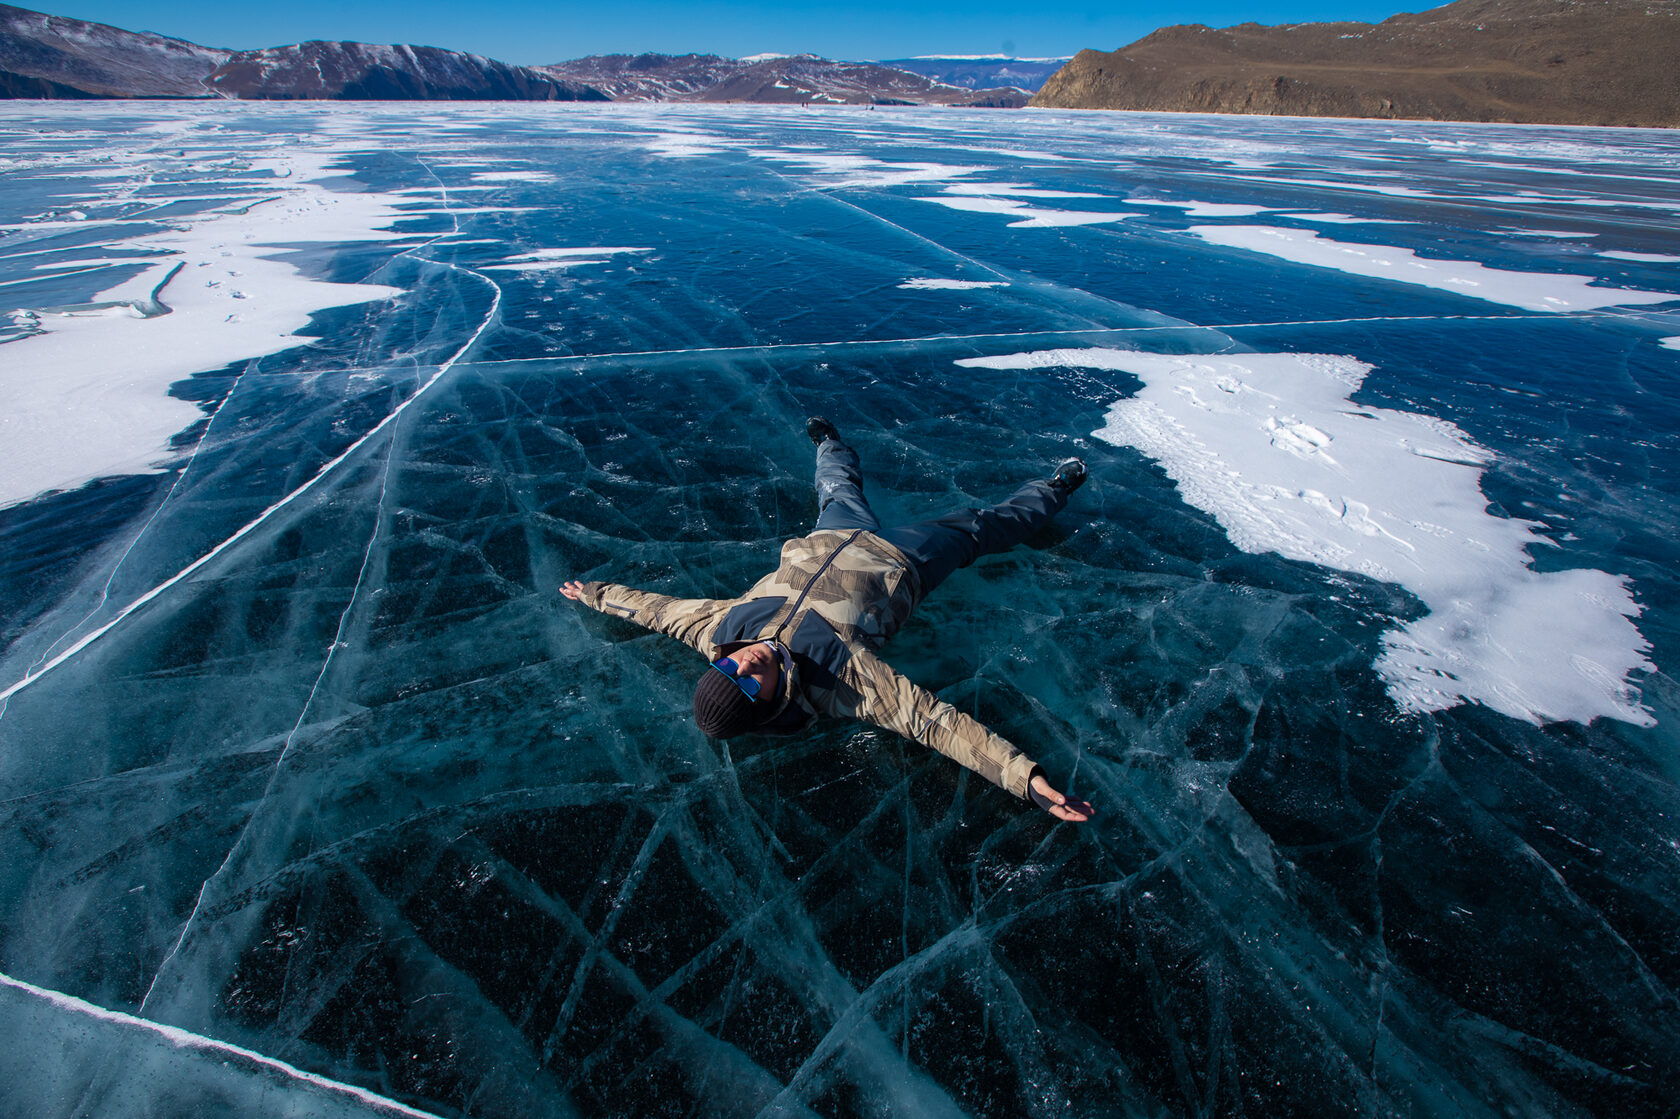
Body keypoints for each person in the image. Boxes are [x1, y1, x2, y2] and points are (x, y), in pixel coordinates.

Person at [560, 418, 1094, 823]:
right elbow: (934, 723)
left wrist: (596, 594)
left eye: (728, 670)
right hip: (902, 561)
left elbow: (656, 612)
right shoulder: (838, 684)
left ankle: (828, 441)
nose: (744, 664)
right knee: (981, 527)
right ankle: (1054, 490)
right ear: (766, 704)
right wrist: (1026, 780)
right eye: (747, 683)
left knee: (836, 485)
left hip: (832, 535)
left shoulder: (716, 632)